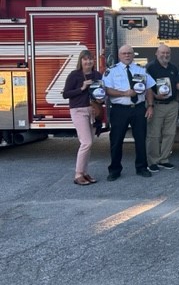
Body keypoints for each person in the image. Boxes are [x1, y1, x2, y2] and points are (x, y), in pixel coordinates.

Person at [103, 45, 156, 181]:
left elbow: (149, 88)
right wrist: (124, 93)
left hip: (138, 108)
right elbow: (107, 90)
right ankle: (114, 170)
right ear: (119, 55)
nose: (127, 55)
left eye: (129, 53)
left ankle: (142, 167)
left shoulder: (141, 69)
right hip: (120, 109)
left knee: (140, 139)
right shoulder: (111, 71)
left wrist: (150, 106)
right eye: (124, 53)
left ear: (133, 55)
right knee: (116, 141)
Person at [62, 50, 103, 185]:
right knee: (86, 142)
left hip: (93, 111)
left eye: (90, 59)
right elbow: (66, 94)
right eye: (85, 59)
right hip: (78, 110)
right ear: (81, 61)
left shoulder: (97, 75)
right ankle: (78, 174)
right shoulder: (74, 75)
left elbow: (101, 91)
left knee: (89, 143)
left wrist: (101, 99)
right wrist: (82, 87)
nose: (88, 62)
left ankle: (85, 173)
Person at [145, 44, 179, 172]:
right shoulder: (150, 68)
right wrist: (154, 98)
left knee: (170, 134)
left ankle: (164, 159)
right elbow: (146, 87)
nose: (165, 55)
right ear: (157, 53)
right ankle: (153, 161)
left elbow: (177, 85)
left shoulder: (173, 68)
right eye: (162, 53)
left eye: (167, 53)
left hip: (172, 105)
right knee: (154, 135)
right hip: (156, 105)